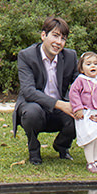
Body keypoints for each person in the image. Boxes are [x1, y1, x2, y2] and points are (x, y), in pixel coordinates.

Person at [13, 16, 79, 165]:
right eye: (55, 36)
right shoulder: (26, 56)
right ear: (43, 35)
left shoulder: (70, 56)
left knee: (79, 113)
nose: (58, 42)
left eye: (63, 38)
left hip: (60, 109)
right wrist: (60, 104)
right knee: (31, 112)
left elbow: (81, 84)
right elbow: (28, 91)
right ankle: (34, 150)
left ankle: (62, 146)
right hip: (35, 106)